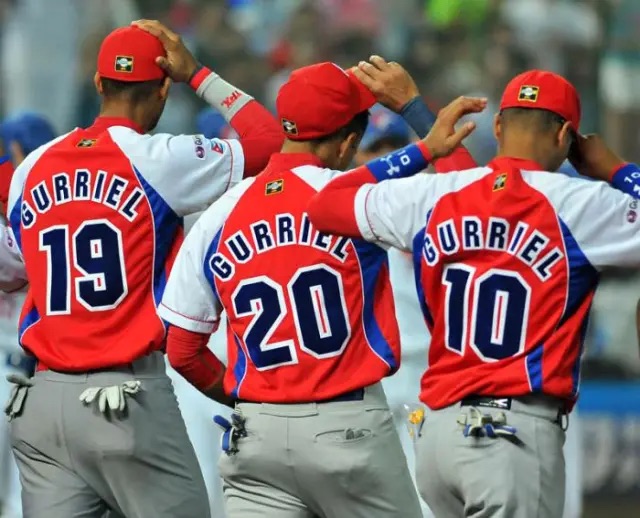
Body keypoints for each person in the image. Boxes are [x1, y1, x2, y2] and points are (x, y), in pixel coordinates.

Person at [307, 70, 640, 517]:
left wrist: (423, 143)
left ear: (498, 127)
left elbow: (324, 205)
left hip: (437, 437)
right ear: (566, 135)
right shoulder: (582, 204)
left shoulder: (437, 193)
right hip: (512, 434)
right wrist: (616, 169)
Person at [158, 59, 470, 517]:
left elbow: (182, 348)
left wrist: (246, 400)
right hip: (348, 430)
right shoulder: (358, 199)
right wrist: (417, 113)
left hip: (256, 433)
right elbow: (473, 202)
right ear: (346, 143)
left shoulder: (220, 214)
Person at [2, 19, 282, 518]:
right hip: (125, 399)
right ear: (162, 90)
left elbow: (16, 265)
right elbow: (269, 141)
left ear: (97, 83)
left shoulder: (33, 167)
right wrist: (198, 74)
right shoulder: (161, 157)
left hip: (42, 401)